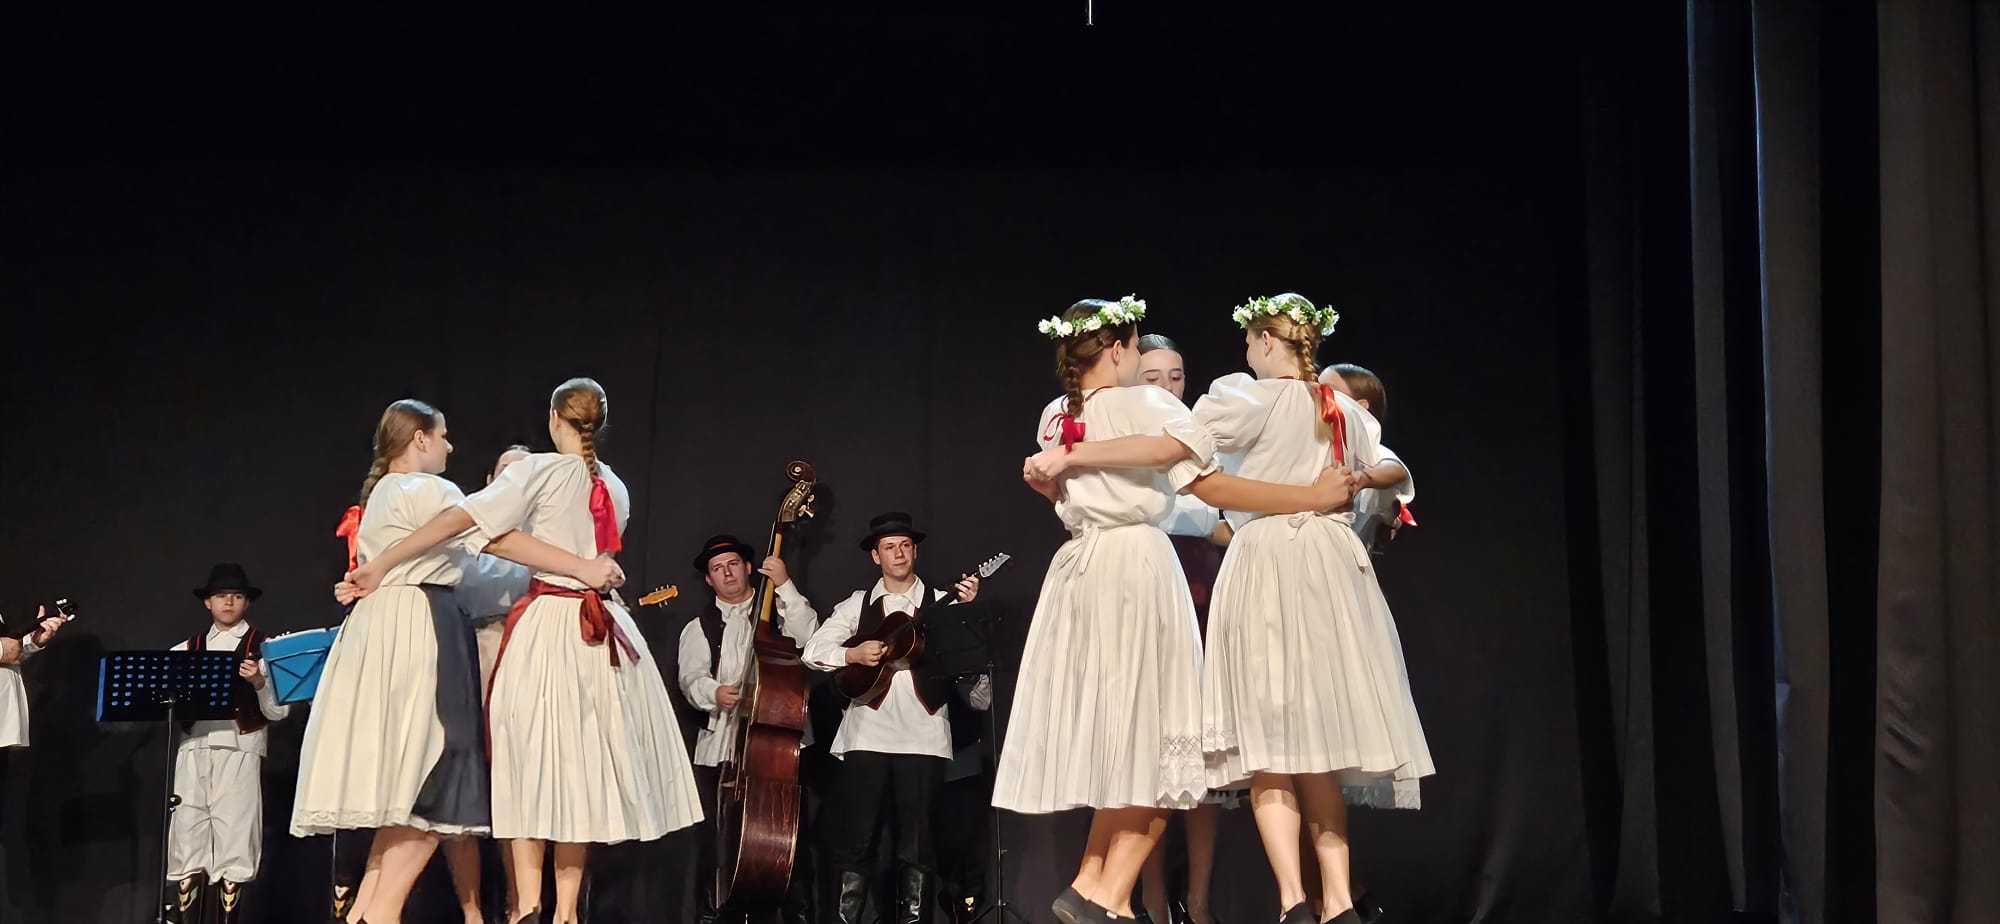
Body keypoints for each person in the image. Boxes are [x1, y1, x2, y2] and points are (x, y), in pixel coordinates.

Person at [1000, 296, 1357, 924]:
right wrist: (1309, 496)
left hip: (1079, 569)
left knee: (1118, 730)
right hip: (1136, 566)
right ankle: (1110, 896)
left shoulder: (1057, 416)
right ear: (1118, 349)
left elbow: (1071, 487)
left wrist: (1063, 468)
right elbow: (1182, 461)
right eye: (1137, 347)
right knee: (1164, 739)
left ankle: (1091, 884)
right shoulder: (1147, 404)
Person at [346, 377, 700, 924]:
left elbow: (466, 523)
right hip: (598, 628)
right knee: (580, 769)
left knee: (528, 763)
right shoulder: (615, 484)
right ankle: (565, 911)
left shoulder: (541, 469)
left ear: (555, 418)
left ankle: (528, 905)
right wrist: (586, 566)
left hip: (553, 623)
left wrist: (383, 562)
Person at [303, 401, 606, 924]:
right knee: (436, 773)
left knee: (409, 782)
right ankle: (381, 914)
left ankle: (366, 914)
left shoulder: (384, 494)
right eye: (442, 436)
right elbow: (496, 538)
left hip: (389, 625)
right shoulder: (428, 490)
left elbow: (466, 560)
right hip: (421, 624)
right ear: (419, 439)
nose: (450, 446)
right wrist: (581, 567)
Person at [1190, 294, 1433, 924]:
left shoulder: (1249, 396)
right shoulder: (1341, 407)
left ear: (1268, 342)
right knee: (1318, 736)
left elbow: (1190, 460)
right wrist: (1347, 483)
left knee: (1269, 740)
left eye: (1250, 341)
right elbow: (1393, 468)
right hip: (1329, 561)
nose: (1247, 352)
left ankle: (1293, 900)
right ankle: (1340, 900)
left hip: (1269, 554)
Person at [801, 513, 982, 924]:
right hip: (867, 733)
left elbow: (971, 665)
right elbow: (813, 650)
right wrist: (851, 653)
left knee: (918, 845)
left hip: (924, 733)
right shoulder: (858, 604)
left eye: (904, 545)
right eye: (889, 547)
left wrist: (967, 614)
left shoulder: (942, 602)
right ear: (875, 556)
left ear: (914, 551)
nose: (898, 553)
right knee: (856, 841)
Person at [1136, 332, 1232, 924]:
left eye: (1176, 376)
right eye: (1153, 377)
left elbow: (1222, 520)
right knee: (1150, 756)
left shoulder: (1203, 438)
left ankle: (1197, 901)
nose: (1168, 387)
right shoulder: (1122, 438)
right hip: (1146, 599)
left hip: (1202, 597)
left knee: (1204, 761)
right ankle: (1150, 898)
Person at [677, 534, 820, 924]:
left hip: (778, 751)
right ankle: (716, 917)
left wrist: (785, 585)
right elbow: (690, 678)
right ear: (709, 580)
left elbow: (810, 639)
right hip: (722, 751)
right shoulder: (700, 627)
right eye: (717, 569)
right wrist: (714, 692)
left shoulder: (776, 612)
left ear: (747, 568)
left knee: (790, 845)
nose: (727, 573)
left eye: (733, 564)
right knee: (718, 847)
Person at [167, 563, 292, 924]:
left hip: (240, 749)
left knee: (236, 840)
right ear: (208, 602)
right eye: (221, 596)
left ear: (246, 603)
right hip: (194, 748)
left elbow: (279, 711)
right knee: (187, 839)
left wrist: (259, 683)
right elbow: (164, 705)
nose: (228, 602)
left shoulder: (265, 649)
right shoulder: (183, 650)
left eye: (236, 596)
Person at [1319, 365, 1414, 554]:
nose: (1319, 394)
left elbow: (1395, 469)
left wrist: (1361, 478)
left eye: (1330, 390)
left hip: (1342, 563)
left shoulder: (1371, 453)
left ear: (1360, 406)